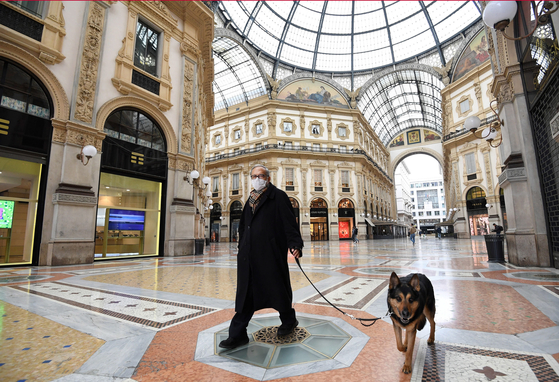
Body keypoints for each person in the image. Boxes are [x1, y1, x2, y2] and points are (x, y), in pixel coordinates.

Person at [219, 164, 303, 350]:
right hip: (249, 256)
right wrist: (242, 247)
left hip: (270, 254)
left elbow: (289, 223)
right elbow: (243, 226)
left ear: (268, 178)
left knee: (277, 289)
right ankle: (237, 334)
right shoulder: (250, 199)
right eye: (254, 176)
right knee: (245, 295)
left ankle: (289, 320)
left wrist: (295, 244)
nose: (257, 179)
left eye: (261, 176)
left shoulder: (278, 196)